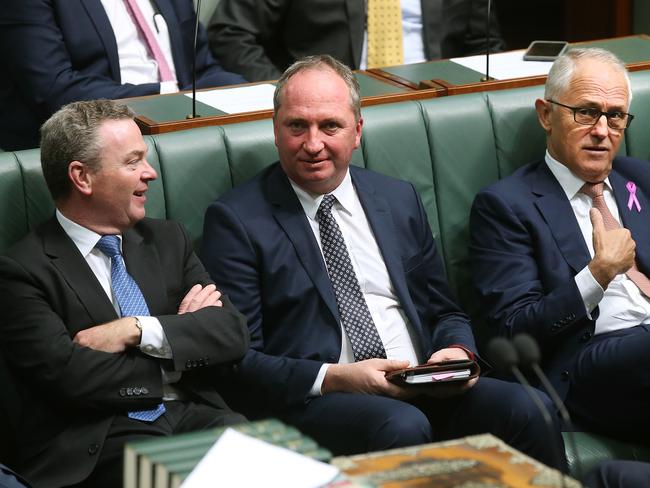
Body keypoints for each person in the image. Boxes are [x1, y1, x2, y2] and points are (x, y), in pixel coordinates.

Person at [200, 54, 565, 470]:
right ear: (275, 129)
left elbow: (444, 309)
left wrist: (455, 352)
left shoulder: (397, 198)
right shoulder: (237, 220)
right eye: (297, 126)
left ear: (357, 131)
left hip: (422, 380)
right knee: (402, 424)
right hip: (321, 399)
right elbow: (240, 362)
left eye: (330, 126)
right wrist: (338, 377)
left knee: (531, 408)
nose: (313, 143)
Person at [0, 100, 249, 488]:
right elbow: (71, 377)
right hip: (101, 439)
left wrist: (139, 329)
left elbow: (230, 334)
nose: (150, 173)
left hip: (199, 417)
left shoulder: (168, 238)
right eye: (132, 162)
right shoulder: (22, 270)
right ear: (82, 177)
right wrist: (179, 346)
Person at [470, 48, 648, 441]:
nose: (602, 130)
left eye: (615, 115)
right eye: (586, 112)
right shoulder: (506, 205)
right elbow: (513, 329)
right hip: (588, 360)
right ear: (546, 114)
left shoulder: (638, 179)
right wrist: (597, 274)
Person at [0, 0, 247, 151]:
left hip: (181, 128)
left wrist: (254, 94)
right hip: (92, 139)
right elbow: (54, 88)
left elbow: (201, 67)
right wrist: (168, 97)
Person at [207, 0, 504, 82]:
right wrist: (287, 91)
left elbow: (485, 44)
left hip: (437, 100)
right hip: (328, 108)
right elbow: (232, 32)